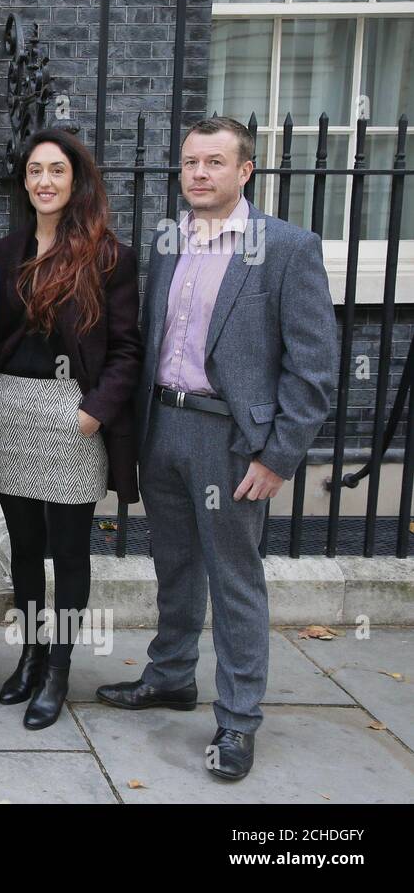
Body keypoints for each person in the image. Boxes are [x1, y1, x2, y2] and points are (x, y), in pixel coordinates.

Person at [95, 116, 338, 781]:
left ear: (245, 172)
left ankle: (237, 719)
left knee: (234, 580)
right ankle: (171, 675)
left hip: (231, 440)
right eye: (191, 162)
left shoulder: (286, 248)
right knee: (173, 565)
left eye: (214, 163)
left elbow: (314, 369)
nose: (199, 174)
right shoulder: (170, 243)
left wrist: (278, 455)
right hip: (164, 426)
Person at [0, 128, 143, 730]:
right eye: (35, 171)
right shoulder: (2, 253)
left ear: (76, 181)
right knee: (23, 548)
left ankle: (60, 668)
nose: (44, 182)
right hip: (13, 411)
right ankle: (29, 655)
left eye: (57, 171)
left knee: (69, 552)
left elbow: (127, 348)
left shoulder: (108, 257)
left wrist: (94, 411)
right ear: (24, 182)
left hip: (73, 414)